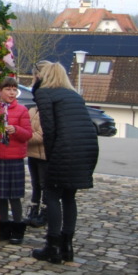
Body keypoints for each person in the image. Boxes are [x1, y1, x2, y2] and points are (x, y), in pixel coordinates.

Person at [29, 62, 99, 264]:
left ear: (40, 76)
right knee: (69, 196)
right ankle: (67, 246)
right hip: (85, 148)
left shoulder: (44, 93)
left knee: (51, 195)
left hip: (64, 148)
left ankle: (53, 246)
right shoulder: (73, 95)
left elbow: (49, 128)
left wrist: (50, 157)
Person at [0, 77, 32, 244]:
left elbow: (28, 134)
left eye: (14, 90)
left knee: (14, 197)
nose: (12, 93)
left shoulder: (21, 110)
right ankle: (2, 228)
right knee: (0, 196)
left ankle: (17, 228)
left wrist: (16, 129)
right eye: (8, 89)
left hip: (15, 159)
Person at [25, 68, 49, 228]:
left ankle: (45, 212)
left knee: (44, 184)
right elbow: (27, 127)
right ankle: (34, 208)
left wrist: (23, 137)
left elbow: (41, 135)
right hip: (32, 153)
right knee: (35, 184)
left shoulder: (44, 111)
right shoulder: (33, 110)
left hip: (43, 155)